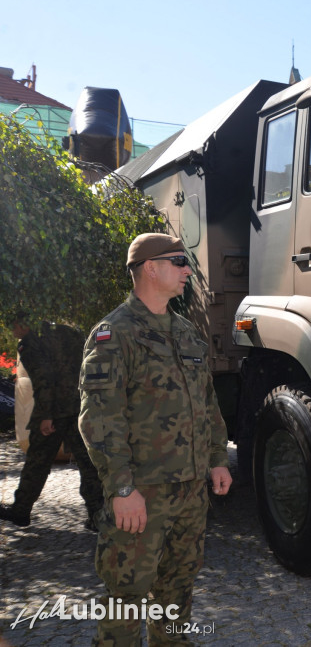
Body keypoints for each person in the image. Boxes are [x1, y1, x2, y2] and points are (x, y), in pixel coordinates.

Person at [79, 233, 232, 642]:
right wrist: (121, 487)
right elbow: (99, 418)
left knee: (178, 589)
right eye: (179, 261)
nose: (188, 270)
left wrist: (218, 457)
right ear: (150, 267)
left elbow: (207, 402)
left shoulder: (186, 333)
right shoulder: (115, 334)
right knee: (126, 596)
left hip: (189, 491)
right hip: (141, 492)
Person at [0, 313, 103, 530]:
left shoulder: (30, 344)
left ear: (21, 325)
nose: (14, 333)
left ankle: (21, 511)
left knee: (38, 461)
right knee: (88, 462)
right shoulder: (67, 332)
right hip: (80, 406)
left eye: (14, 329)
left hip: (55, 412)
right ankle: (97, 515)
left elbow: (43, 380)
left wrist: (46, 415)